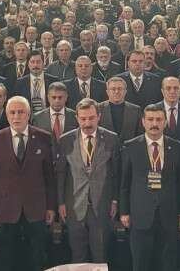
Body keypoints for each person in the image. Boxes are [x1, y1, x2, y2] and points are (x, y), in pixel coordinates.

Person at [0, 96, 56, 271]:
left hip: (36, 209)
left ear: (29, 114)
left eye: (21, 112)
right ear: (7, 115)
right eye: (12, 112)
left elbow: (49, 176)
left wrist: (50, 207)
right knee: (7, 258)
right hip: (6, 209)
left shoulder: (44, 137)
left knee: (37, 257)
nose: (16, 116)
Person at [119, 103, 180, 271]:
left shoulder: (177, 147)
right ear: (143, 122)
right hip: (140, 215)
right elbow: (124, 183)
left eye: (158, 119)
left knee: (167, 263)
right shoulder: (130, 146)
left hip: (168, 214)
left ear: (165, 122)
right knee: (141, 263)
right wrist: (124, 211)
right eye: (150, 119)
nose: (154, 123)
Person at [55, 98, 121, 263]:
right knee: (78, 256)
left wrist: (114, 200)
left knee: (100, 255)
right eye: (83, 118)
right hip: (74, 206)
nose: (87, 123)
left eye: (91, 118)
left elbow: (116, 174)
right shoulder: (66, 140)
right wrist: (61, 202)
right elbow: (61, 174)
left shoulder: (112, 139)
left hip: (102, 206)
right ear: (76, 118)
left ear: (99, 116)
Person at [98, 77, 143, 141]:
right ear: (107, 92)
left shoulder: (136, 110)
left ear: (125, 92)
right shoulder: (98, 108)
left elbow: (140, 135)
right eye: (113, 89)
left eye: (120, 89)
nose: (117, 92)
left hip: (129, 146)